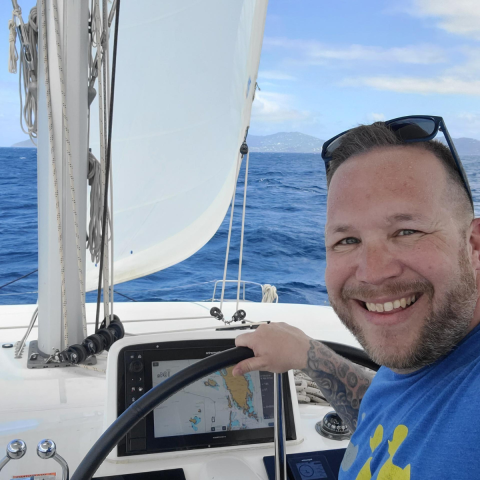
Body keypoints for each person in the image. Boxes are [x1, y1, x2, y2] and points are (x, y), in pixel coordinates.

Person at [233, 117, 480, 479]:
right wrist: (311, 355)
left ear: (473, 245)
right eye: (347, 241)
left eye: (406, 230)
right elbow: (391, 417)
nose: (373, 272)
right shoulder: (419, 364)